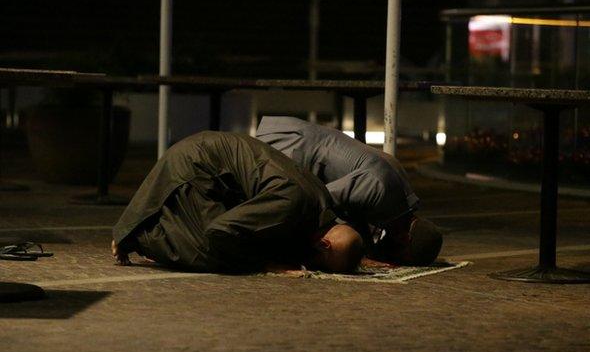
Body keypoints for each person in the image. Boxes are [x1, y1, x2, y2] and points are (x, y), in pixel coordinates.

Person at [111, 131, 364, 273]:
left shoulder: (320, 204)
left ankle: (138, 229)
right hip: (197, 167)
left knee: (242, 242)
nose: (316, 266)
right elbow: (220, 232)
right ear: (325, 244)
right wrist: (268, 266)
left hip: (212, 164)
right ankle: (137, 236)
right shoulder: (293, 202)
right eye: (322, 264)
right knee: (210, 253)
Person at [256, 116, 442, 266]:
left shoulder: (399, 198)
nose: (396, 259)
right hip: (289, 147)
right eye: (402, 257)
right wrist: (356, 256)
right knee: (293, 209)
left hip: (300, 142)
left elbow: (356, 208)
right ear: (405, 238)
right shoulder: (380, 187)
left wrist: (364, 249)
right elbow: (318, 199)